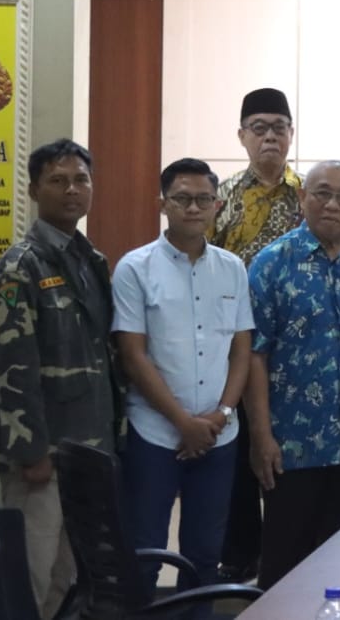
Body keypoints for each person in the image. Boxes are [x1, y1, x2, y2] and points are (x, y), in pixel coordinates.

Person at [0, 139, 119, 618]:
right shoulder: (18, 269)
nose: (72, 190)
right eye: (58, 181)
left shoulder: (91, 261)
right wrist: (30, 452)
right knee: (29, 579)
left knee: (68, 577)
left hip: (87, 452)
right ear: (34, 189)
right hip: (43, 458)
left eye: (81, 180)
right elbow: (11, 367)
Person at [110, 158, 254, 593]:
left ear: (217, 205)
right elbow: (133, 355)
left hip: (218, 436)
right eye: (183, 199)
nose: (194, 208)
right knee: (145, 555)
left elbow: (241, 350)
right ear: (163, 204)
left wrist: (222, 414)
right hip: (155, 434)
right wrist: (182, 422)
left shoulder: (233, 268)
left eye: (203, 199)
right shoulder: (134, 268)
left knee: (205, 557)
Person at [245, 161, 340, 589]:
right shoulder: (271, 263)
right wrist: (261, 436)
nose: (332, 204)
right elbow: (255, 354)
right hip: (292, 448)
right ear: (303, 197)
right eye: (322, 193)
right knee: (285, 572)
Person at [209, 86, 303, 583]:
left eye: (278, 128)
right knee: (239, 452)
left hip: (295, 351)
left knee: (284, 455)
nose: (270, 137)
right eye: (259, 128)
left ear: (291, 135)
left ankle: (285, 553)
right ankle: (240, 554)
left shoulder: (309, 195)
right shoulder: (220, 198)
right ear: (241, 135)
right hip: (232, 350)